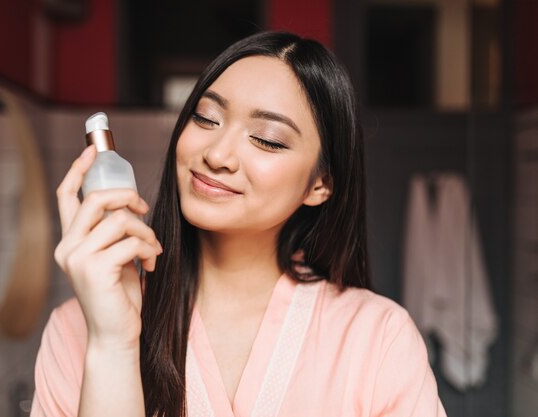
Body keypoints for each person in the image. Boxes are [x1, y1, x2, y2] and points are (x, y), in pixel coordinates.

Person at [30, 31, 447, 417]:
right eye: (206, 118)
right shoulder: (78, 329)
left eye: (267, 139)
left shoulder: (378, 338)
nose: (218, 155)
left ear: (320, 185)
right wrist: (112, 344)